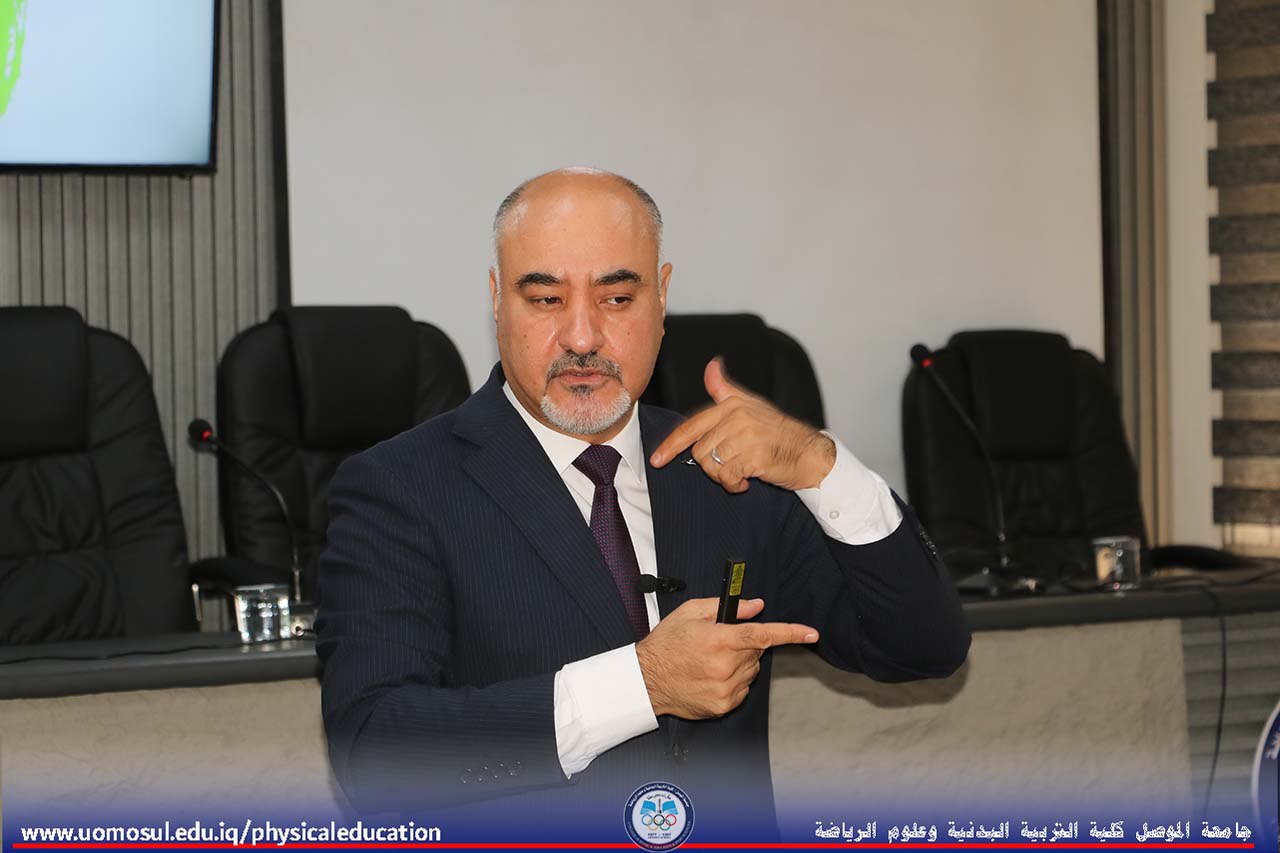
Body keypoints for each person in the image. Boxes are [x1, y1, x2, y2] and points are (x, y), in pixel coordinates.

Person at [315, 168, 970, 839]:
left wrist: (822, 468)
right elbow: (373, 753)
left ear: (661, 297)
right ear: (497, 299)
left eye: (617, 298)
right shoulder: (400, 487)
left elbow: (924, 648)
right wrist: (643, 684)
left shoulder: (724, 469)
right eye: (545, 299)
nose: (582, 337)